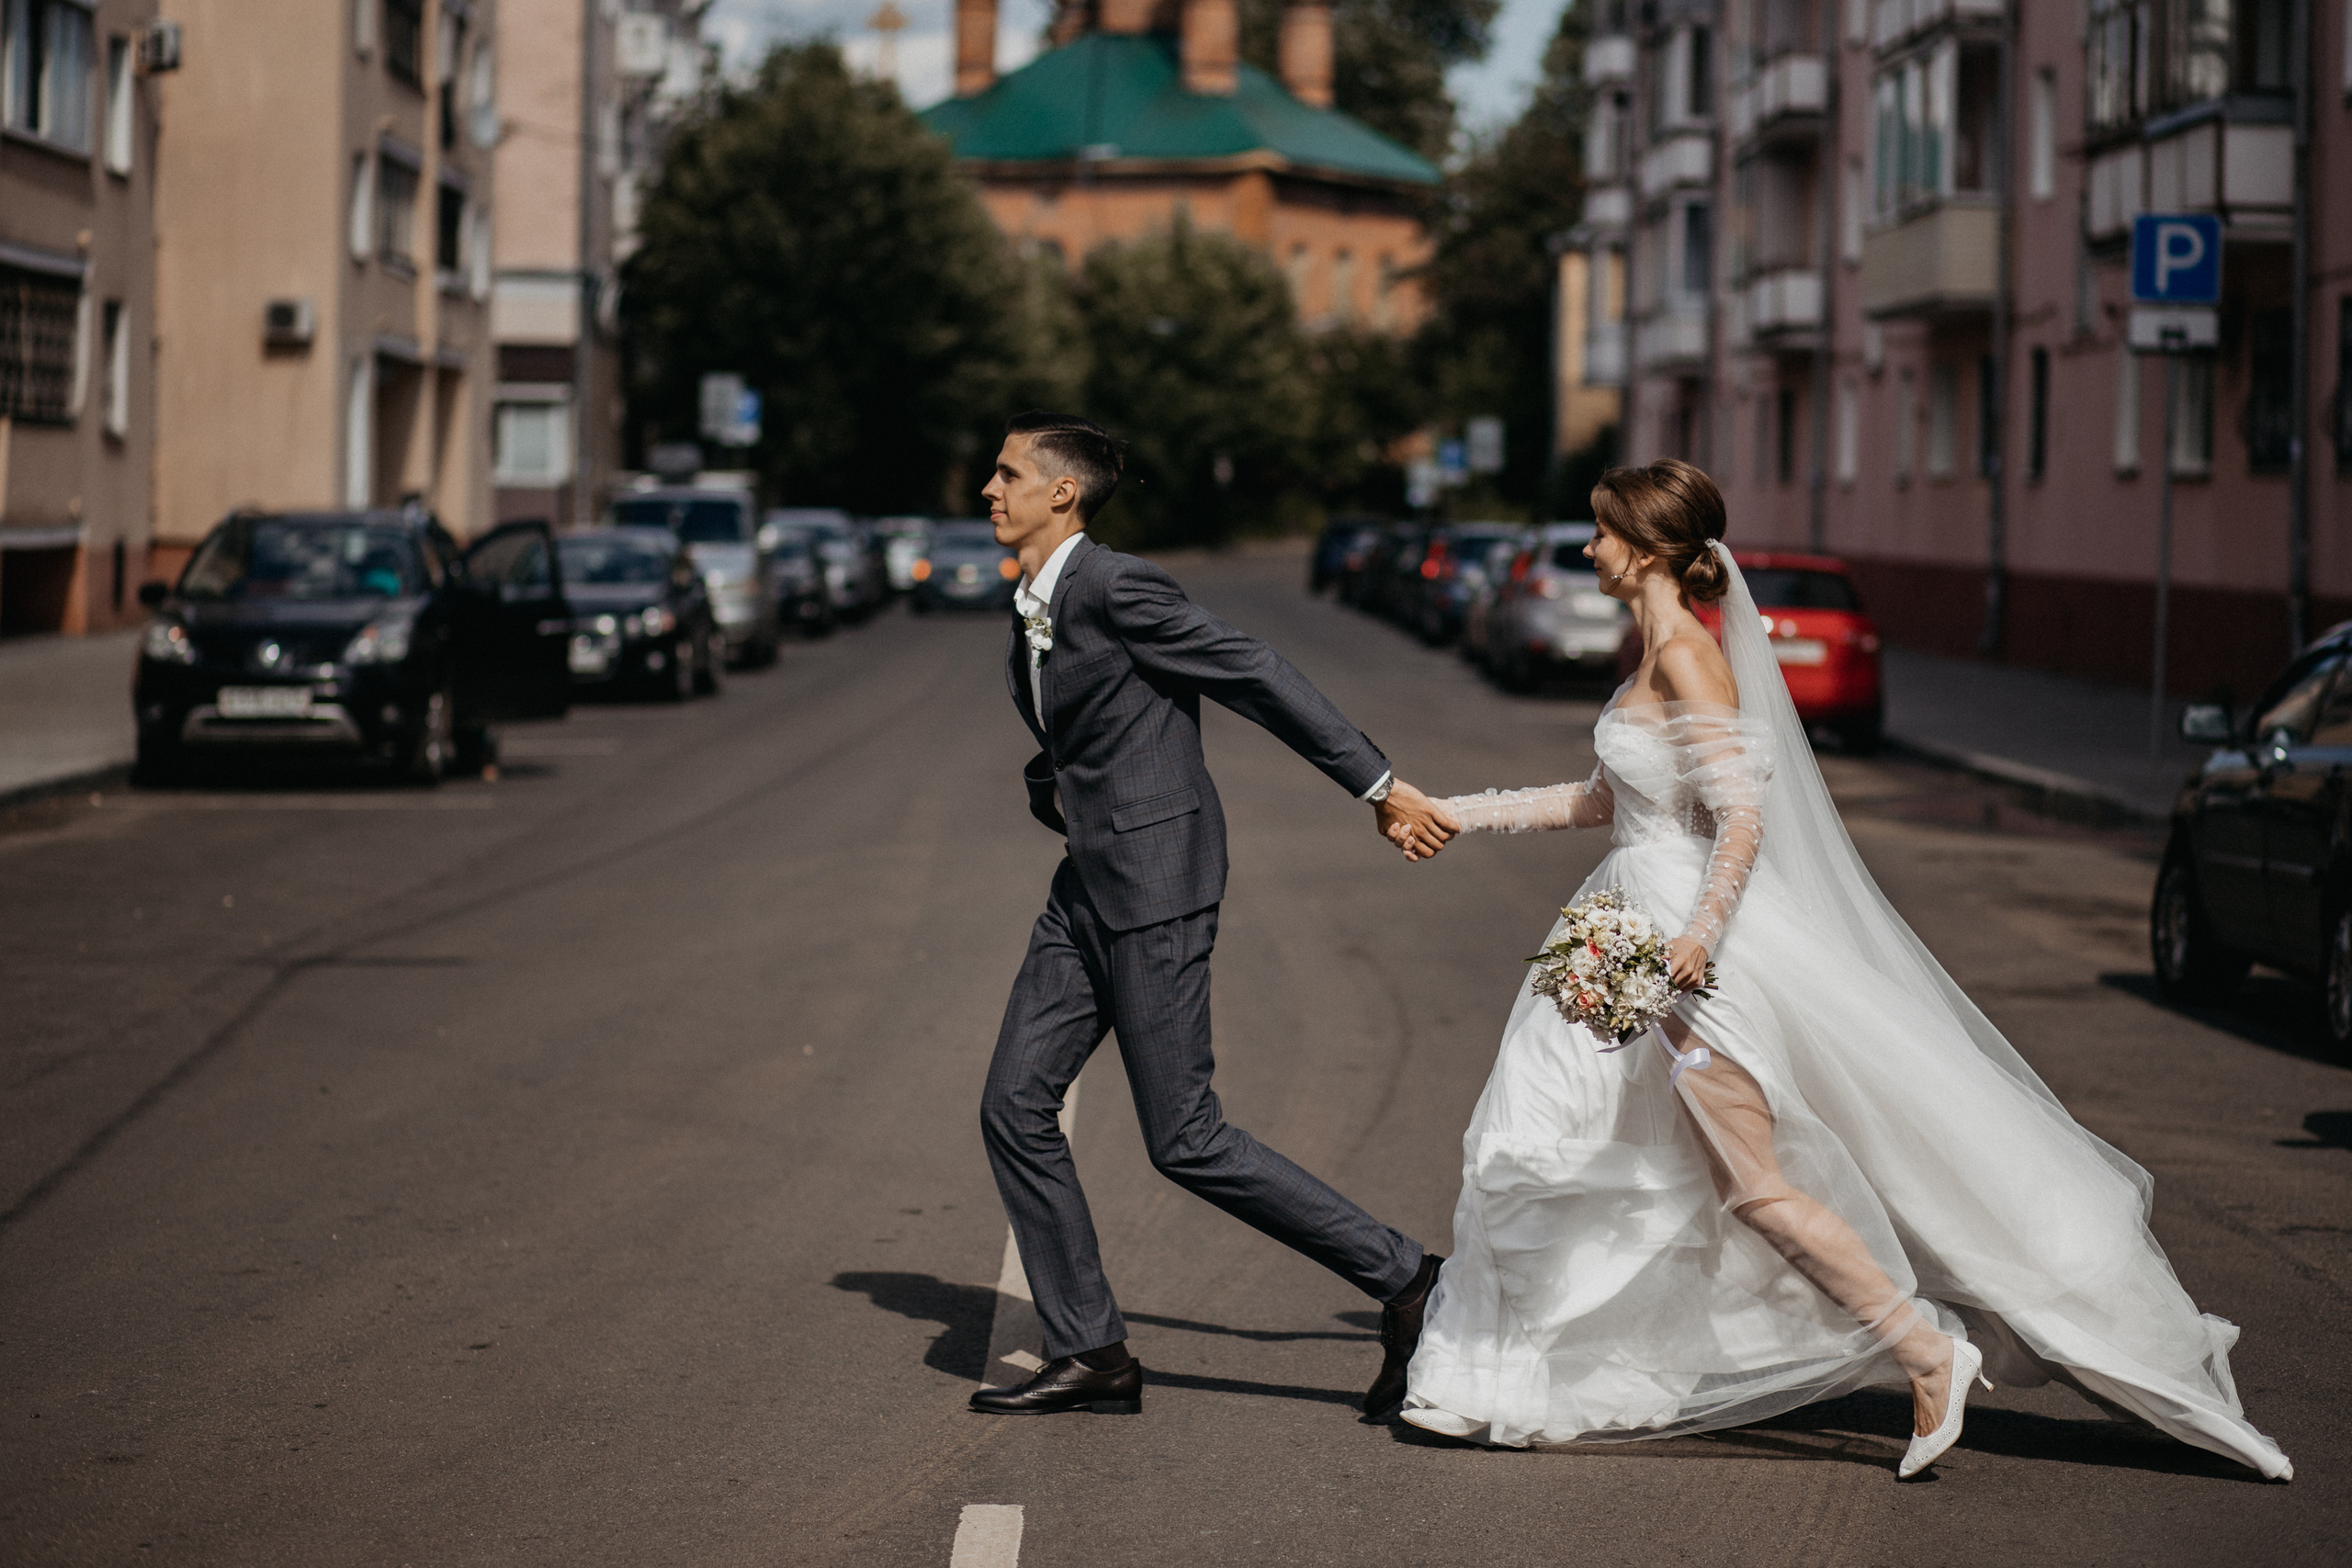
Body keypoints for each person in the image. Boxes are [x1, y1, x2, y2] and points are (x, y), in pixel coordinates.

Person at [1387, 458, 2290, 1481]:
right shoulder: (1648, 659)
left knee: (1747, 1180)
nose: (1587, 548)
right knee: (1564, 1141)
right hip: (1624, 928)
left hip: (1689, 956)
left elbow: (1739, 825)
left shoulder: (1690, 657)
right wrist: (1454, 812)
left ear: (1642, 548)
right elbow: (1601, 804)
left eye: (1598, 532)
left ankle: (1923, 1349)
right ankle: (1512, 1370)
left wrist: (1695, 940)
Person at [969, 412, 1458, 1417]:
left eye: (1007, 472)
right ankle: (1091, 1351)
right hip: (1085, 883)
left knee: (1184, 1137)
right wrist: (1051, 785)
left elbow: (1255, 673)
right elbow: (1077, 728)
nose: (987, 486)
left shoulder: (1116, 586)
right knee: (1014, 1105)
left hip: (1155, 883)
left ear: (1063, 492)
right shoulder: (1032, 601)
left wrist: (1378, 785)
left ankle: (1412, 1280)